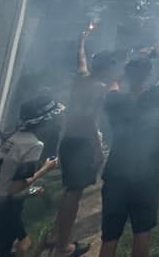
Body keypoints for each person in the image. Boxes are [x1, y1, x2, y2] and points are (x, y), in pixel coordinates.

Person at [99, 46, 159, 257]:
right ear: (149, 77)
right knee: (142, 232)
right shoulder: (154, 97)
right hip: (146, 175)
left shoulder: (114, 100)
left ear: (128, 77)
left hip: (116, 172)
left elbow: (114, 82)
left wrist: (132, 60)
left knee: (110, 236)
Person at [0, 95, 63, 257]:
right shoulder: (33, 145)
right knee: (11, 247)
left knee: (12, 245)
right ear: (45, 121)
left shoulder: (15, 137)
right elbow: (14, 187)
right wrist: (45, 169)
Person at [53, 27, 119, 257]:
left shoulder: (82, 77)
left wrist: (82, 39)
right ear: (108, 68)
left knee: (69, 191)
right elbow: (90, 121)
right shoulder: (100, 88)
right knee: (74, 193)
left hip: (68, 141)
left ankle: (58, 236)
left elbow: (81, 58)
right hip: (82, 144)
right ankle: (63, 247)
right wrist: (99, 150)